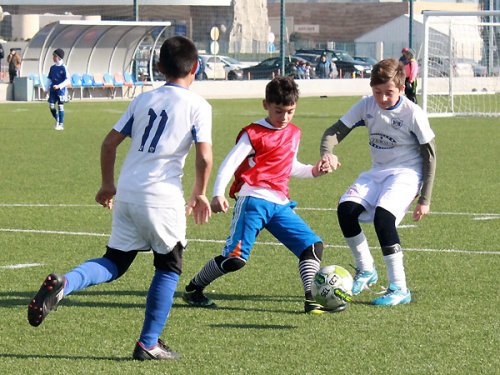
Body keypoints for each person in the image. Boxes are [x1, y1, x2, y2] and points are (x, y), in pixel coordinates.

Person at [27, 36, 213, 360]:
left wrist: (107, 185)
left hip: (128, 191)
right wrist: (199, 193)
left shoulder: (142, 100)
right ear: (195, 67)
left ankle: (65, 284)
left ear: (158, 68)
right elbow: (205, 157)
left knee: (114, 261)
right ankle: (148, 343)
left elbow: (109, 144)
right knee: (169, 266)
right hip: (163, 196)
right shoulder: (198, 106)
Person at [182, 76, 342, 315]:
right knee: (235, 260)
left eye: (290, 111)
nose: (285, 117)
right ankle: (194, 289)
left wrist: (314, 171)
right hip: (253, 200)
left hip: (279, 204)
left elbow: (290, 166)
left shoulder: (294, 133)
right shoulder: (254, 133)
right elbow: (230, 163)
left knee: (312, 246)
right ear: (265, 105)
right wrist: (217, 193)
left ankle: (312, 299)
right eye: (279, 111)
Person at [320, 58, 436, 306]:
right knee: (346, 210)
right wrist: (327, 154)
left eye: (389, 93)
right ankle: (366, 269)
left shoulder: (413, 114)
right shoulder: (367, 106)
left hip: (407, 173)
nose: (382, 99)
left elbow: (430, 157)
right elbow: (333, 132)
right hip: (377, 172)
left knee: (384, 218)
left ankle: (399, 287)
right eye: (377, 92)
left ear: (402, 89)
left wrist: (424, 199)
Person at [47, 49, 70, 130]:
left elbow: (67, 80)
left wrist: (59, 86)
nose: (53, 57)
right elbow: (49, 79)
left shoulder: (64, 67)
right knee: (51, 106)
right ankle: (57, 118)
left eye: (55, 56)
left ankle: (61, 124)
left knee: (60, 106)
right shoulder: (52, 68)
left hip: (61, 90)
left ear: (59, 57)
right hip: (53, 90)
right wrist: (46, 89)